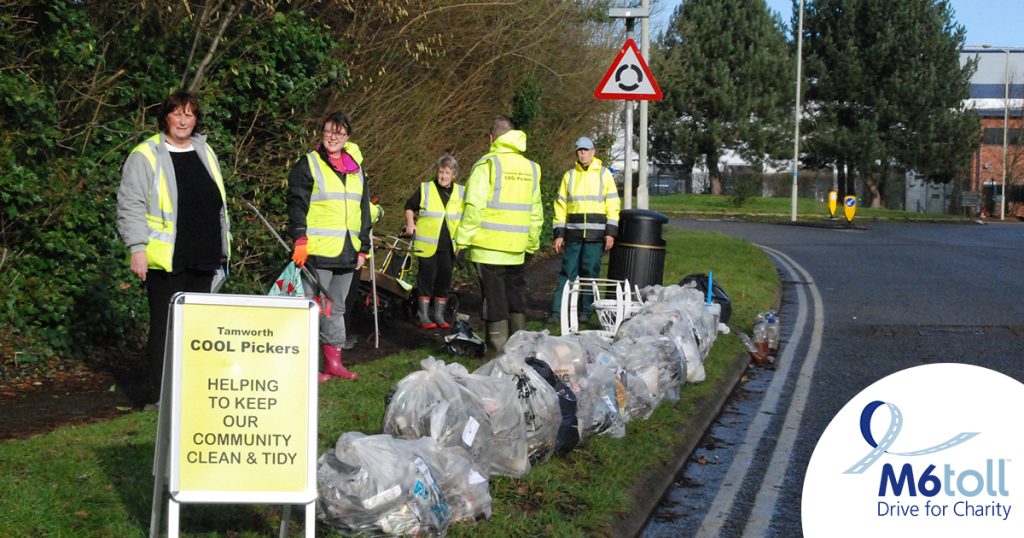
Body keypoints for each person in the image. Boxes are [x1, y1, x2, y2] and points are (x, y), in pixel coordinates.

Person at [117, 89, 231, 408]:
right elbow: (130, 204)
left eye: (189, 114)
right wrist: (137, 247)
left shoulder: (205, 151)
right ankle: (159, 397)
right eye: (177, 113)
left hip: (206, 256)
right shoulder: (146, 154)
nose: (183, 120)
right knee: (165, 329)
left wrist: (223, 247)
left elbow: (218, 203)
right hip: (167, 259)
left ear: (197, 120)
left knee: (197, 329)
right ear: (166, 116)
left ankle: (190, 395)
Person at [287, 112, 371, 382]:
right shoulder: (308, 164)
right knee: (313, 308)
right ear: (321, 133)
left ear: (347, 137)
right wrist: (299, 238)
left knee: (337, 308)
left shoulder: (356, 169)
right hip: (317, 251)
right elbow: (297, 204)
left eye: (340, 132)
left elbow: (363, 209)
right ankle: (308, 365)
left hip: (347, 250)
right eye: (329, 131)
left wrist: (363, 248)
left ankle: (334, 362)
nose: (334, 137)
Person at [454, 117, 543, 354]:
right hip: (518, 248)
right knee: (516, 298)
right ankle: (519, 352)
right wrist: (532, 244)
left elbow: (474, 208)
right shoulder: (532, 168)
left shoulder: (487, 165)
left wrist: (462, 242)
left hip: (488, 248)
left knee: (494, 301)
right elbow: (536, 212)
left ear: (491, 138)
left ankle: (496, 354)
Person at [549, 136, 620, 323]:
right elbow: (560, 207)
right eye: (580, 150)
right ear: (576, 152)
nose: (583, 153)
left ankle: (586, 312)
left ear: (593, 151)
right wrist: (559, 234)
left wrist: (610, 233)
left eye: (586, 150)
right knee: (568, 272)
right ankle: (558, 312)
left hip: (596, 236)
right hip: (573, 234)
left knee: (590, 274)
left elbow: (613, 204)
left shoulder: (604, 174)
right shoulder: (569, 175)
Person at [404, 154, 464, 329]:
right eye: (441, 172)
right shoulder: (426, 188)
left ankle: (438, 315)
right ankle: (423, 316)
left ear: (454, 175)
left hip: (450, 246)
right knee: (426, 280)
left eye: (447, 173)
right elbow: (409, 206)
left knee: (444, 280)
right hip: (427, 244)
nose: (443, 176)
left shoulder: (462, 192)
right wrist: (410, 223)